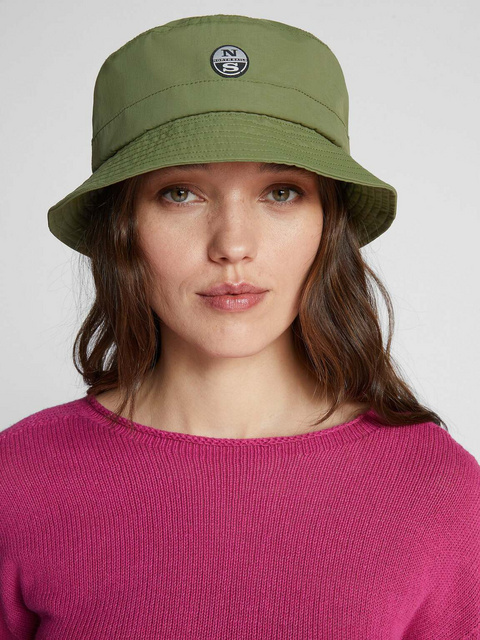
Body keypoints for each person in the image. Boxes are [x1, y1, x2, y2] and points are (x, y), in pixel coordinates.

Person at [1, 14, 479, 639]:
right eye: (180, 193)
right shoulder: (18, 480)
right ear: (122, 227)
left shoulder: (440, 492)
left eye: (280, 192)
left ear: (328, 225)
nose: (232, 245)